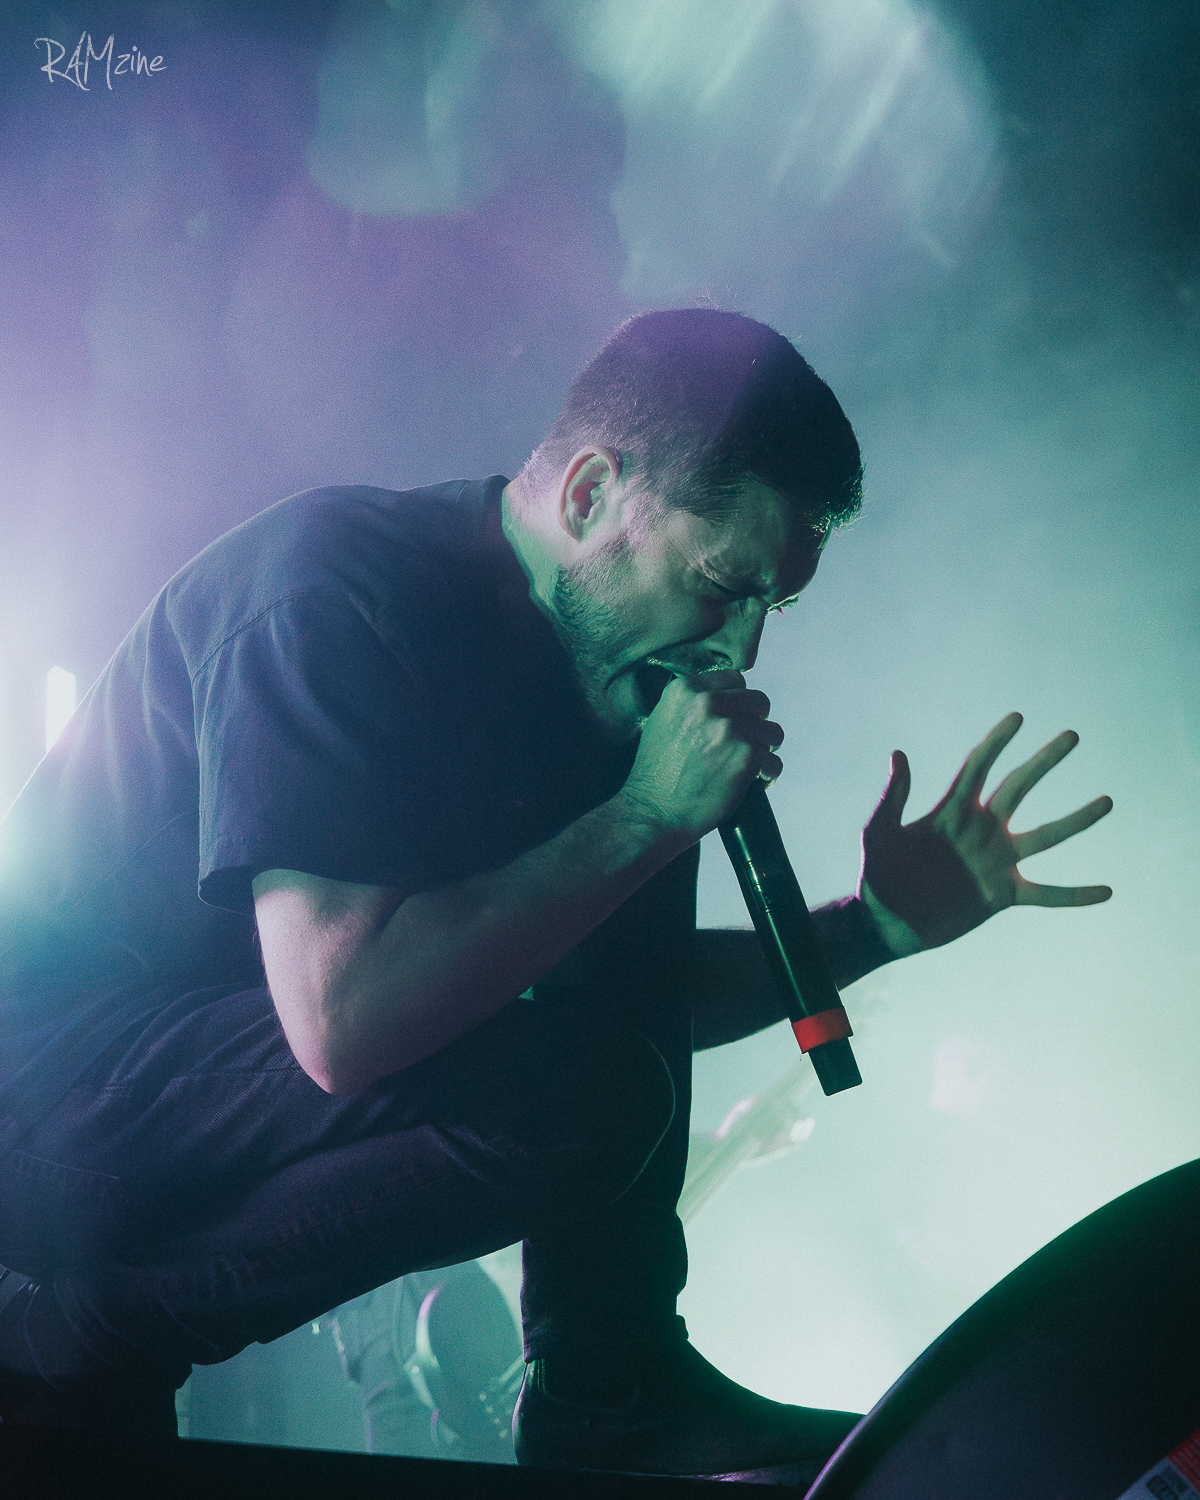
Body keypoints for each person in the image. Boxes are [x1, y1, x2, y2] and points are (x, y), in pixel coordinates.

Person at [0, 309, 1111, 1482]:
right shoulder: (333, 592)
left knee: (598, 1070)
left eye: (770, 610)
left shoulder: (597, 680)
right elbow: (344, 1021)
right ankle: (70, 1335)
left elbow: (624, 1006)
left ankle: (611, 1383)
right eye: (721, 586)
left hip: (203, 1101)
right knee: (590, 1071)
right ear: (589, 496)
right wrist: (641, 821)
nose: (738, 650)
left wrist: (870, 929)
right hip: (48, 1095)